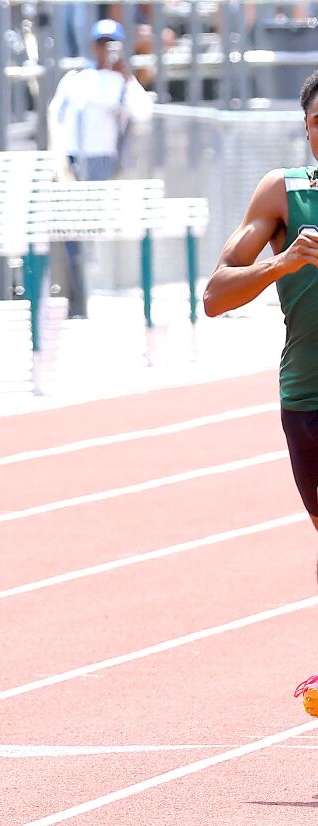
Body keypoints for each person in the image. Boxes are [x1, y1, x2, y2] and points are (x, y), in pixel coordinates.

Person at [203, 69, 318, 720]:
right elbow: (216, 295)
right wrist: (281, 262)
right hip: (307, 397)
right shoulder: (284, 194)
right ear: (306, 130)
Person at [47, 18, 154, 317]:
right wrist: (59, 163)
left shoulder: (123, 82)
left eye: (112, 44)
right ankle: (77, 301)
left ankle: (97, 295)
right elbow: (56, 118)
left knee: (95, 235)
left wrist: (127, 77)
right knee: (72, 235)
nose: (107, 50)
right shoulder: (76, 79)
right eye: (102, 43)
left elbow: (143, 113)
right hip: (71, 162)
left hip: (103, 165)